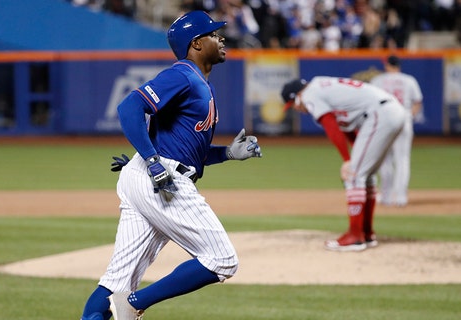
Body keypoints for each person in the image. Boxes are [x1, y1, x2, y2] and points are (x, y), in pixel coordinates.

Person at [80, 11, 262, 320]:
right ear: (196, 44)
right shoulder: (183, 75)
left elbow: (190, 152)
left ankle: (114, 306)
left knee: (116, 281)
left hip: (151, 175)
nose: (220, 39)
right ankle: (134, 303)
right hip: (161, 179)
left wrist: (227, 154)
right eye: (213, 35)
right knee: (221, 259)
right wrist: (151, 160)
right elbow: (130, 107)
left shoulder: (201, 84)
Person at [280, 76, 406, 252]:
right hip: (391, 111)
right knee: (365, 175)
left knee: (354, 176)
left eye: (293, 105)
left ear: (297, 96)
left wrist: (348, 160)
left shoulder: (310, 94)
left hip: (381, 114)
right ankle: (366, 233)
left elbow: (330, 125)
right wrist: (355, 158)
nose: (297, 109)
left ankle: (355, 236)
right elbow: (347, 129)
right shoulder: (322, 88)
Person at [370, 55, 423, 207]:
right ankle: (401, 197)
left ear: (387, 65)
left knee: (384, 160)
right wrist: (407, 116)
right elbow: (417, 103)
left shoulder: (378, 80)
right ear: (399, 66)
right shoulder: (409, 80)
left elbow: (372, 103)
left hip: (384, 121)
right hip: (403, 118)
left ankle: (386, 196)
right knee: (402, 159)